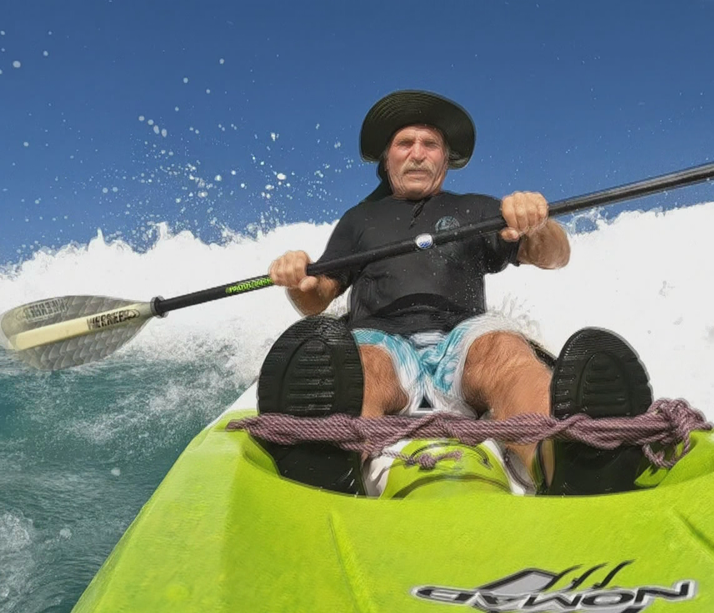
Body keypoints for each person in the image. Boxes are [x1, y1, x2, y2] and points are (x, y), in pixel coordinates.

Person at [257, 90, 651, 495]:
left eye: (430, 145)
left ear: (445, 160)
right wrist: (298, 278)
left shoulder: (478, 209)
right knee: (365, 363)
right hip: (384, 345)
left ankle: (567, 458)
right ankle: (333, 463)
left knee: (504, 349)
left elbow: (554, 256)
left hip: (463, 344)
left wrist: (538, 224)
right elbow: (316, 299)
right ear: (387, 158)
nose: (417, 153)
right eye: (404, 143)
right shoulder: (358, 220)